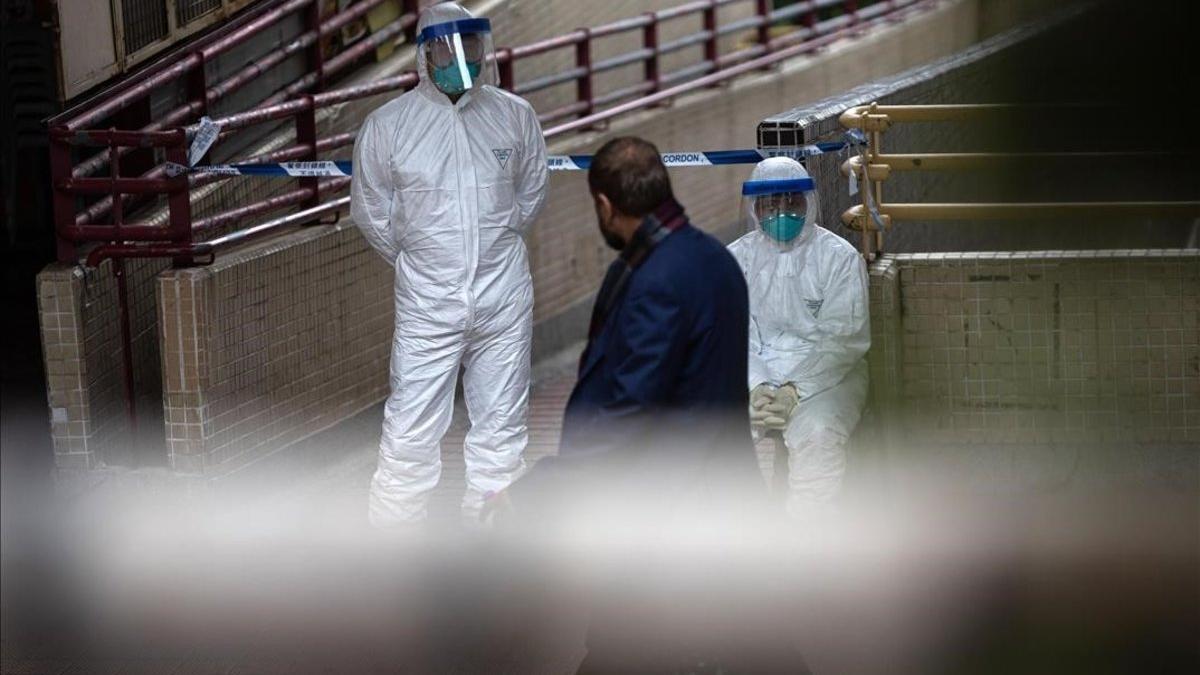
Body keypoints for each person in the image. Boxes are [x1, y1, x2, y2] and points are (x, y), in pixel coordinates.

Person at [504, 137, 776, 673]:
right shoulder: (714, 259)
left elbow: (630, 412)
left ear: (605, 206)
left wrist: (534, 489)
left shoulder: (655, 280)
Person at [350, 1, 548, 526]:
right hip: (427, 304)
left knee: (502, 427)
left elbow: (529, 196)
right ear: (425, 53)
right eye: (446, 46)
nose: (461, 57)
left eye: (471, 45)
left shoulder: (514, 116)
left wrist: (489, 250)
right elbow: (373, 215)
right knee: (410, 431)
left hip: (502, 296)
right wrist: (426, 262)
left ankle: (494, 542)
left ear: (485, 47)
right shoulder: (389, 127)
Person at [728, 157, 870, 520]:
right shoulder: (735, 260)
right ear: (754, 207)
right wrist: (757, 385)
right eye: (769, 203)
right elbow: (733, 335)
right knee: (708, 429)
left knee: (819, 435)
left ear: (808, 203)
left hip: (827, 380)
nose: (780, 210)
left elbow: (843, 341)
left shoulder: (838, 258)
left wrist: (795, 390)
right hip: (755, 378)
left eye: (790, 201)